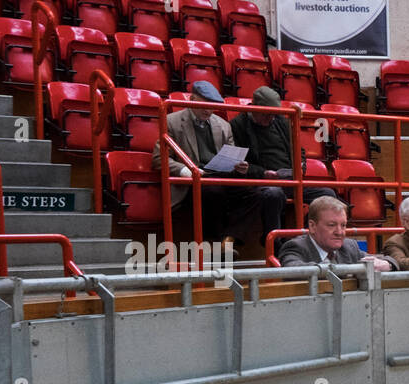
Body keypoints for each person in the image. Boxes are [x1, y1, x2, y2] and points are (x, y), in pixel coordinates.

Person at [230, 85, 338, 243]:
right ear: (255, 108)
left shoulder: (281, 120)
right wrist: (262, 173)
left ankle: (307, 239)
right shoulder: (238, 125)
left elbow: (299, 150)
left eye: (273, 115)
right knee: (273, 193)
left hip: (289, 178)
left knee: (327, 194)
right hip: (260, 181)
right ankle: (274, 243)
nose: (270, 119)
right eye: (266, 115)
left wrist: (301, 166)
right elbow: (238, 162)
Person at [151, 80, 253, 242]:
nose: (209, 110)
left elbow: (231, 156)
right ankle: (215, 242)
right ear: (192, 100)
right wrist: (188, 171)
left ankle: (230, 238)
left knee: (256, 191)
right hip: (193, 180)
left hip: (219, 177)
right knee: (212, 191)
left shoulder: (224, 125)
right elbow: (159, 159)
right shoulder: (172, 121)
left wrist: (238, 166)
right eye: (204, 104)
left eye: (212, 106)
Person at [278, 195, 393, 269]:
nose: (340, 232)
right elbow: (293, 270)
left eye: (343, 225)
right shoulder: (295, 247)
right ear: (312, 226)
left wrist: (388, 265)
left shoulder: (349, 246)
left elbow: (384, 261)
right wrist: (340, 270)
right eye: (331, 225)